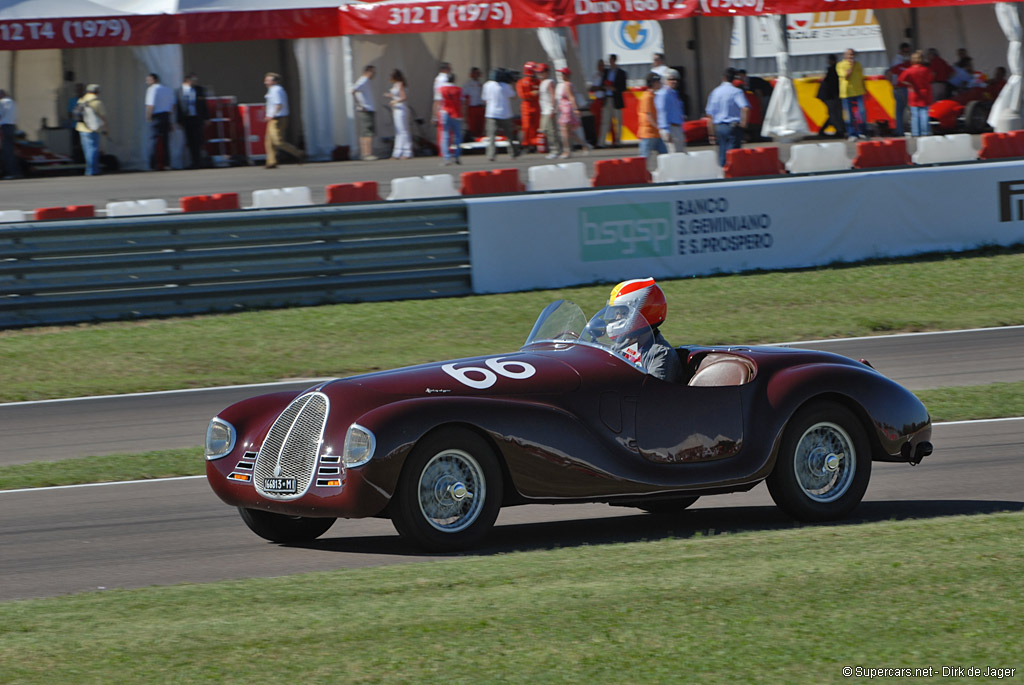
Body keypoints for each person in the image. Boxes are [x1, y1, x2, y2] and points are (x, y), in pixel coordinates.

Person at [606, 278, 682, 383]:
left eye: (623, 313)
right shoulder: (622, 346)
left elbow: (652, 395)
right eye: (617, 313)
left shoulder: (660, 354)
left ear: (642, 313)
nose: (618, 318)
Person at [705, 67, 749, 167]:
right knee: (733, 155)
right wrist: (743, 124)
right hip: (733, 126)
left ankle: (723, 173)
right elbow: (745, 108)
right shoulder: (736, 92)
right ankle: (732, 175)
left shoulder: (715, 92)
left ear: (723, 78)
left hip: (719, 126)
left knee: (722, 153)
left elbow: (710, 115)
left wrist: (711, 133)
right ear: (734, 79)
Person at [263, 72, 305, 169]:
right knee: (269, 141)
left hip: (278, 118)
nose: (266, 82)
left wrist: (272, 115)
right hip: (273, 118)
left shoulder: (277, 90)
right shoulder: (272, 90)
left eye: (269, 80)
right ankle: (271, 161)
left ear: (275, 81)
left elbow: (279, 104)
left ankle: (298, 153)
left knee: (278, 141)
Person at [482, 69, 519, 161]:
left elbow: (484, 98)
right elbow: (513, 96)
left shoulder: (487, 85)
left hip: (491, 113)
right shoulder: (506, 86)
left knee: (491, 136)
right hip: (505, 113)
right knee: (509, 135)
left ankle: (491, 155)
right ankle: (512, 153)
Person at [555, 67, 590, 159]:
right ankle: (584, 145)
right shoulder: (568, 84)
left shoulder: (567, 85)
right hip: (565, 109)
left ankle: (567, 151)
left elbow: (571, 97)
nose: (561, 76)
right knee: (569, 132)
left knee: (564, 131)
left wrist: (575, 109)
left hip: (567, 109)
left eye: (562, 74)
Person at [176, 73, 208, 169]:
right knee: (189, 141)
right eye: (193, 80)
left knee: (198, 140)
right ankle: (193, 161)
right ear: (187, 80)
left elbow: (203, 105)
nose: (195, 82)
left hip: (196, 117)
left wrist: (206, 118)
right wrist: (179, 120)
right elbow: (178, 107)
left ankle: (199, 161)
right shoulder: (180, 91)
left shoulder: (199, 90)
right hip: (187, 118)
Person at [75, 84, 108, 176]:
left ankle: (89, 169)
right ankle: (92, 170)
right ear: (97, 92)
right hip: (93, 128)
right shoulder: (97, 102)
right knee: (93, 149)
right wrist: (106, 129)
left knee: (87, 150)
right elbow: (103, 117)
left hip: (81, 128)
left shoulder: (81, 100)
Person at [899, 50, 934, 137]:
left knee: (915, 115)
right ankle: (925, 132)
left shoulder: (909, 70)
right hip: (925, 93)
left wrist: (910, 84)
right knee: (924, 114)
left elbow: (901, 79)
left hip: (914, 93)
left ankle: (915, 132)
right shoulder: (926, 70)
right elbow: (931, 78)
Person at [145, 73, 175, 170]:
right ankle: (167, 164)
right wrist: (169, 115)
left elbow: (150, 105)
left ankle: (154, 164)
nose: (147, 82)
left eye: (149, 80)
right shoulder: (167, 89)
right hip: (166, 115)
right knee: (166, 141)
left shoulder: (152, 89)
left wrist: (148, 116)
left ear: (154, 80)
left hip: (156, 116)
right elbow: (173, 104)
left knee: (153, 141)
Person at [836, 48, 868, 139]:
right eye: (849, 54)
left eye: (852, 55)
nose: (851, 56)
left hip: (859, 91)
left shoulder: (858, 65)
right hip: (846, 93)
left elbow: (862, 78)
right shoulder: (840, 65)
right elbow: (846, 77)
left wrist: (865, 89)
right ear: (845, 55)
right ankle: (851, 133)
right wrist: (850, 67)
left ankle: (862, 131)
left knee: (862, 112)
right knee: (849, 115)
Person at [637, 73, 667, 165]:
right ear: (653, 83)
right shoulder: (647, 97)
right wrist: (659, 127)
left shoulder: (654, 96)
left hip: (656, 134)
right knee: (644, 158)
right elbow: (649, 116)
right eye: (658, 82)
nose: (660, 84)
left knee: (665, 156)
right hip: (648, 134)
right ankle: (640, 177)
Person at [350, 65, 377, 161]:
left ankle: (365, 153)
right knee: (367, 132)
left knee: (366, 132)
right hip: (366, 109)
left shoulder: (365, 81)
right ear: (368, 72)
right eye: (373, 72)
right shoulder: (363, 80)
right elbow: (353, 90)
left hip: (367, 109)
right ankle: (367, 153)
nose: (374, 74)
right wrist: (360, 105)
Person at [655, 69, 686, 153]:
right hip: (670, 128)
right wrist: (666, 131)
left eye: (676, 79)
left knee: (680, 154)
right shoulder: (663, 94)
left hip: (677, 128)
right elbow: (662, 112)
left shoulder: (674, 93)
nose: (674, 81)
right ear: (665, 80)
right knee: (673, 155)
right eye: (671, 79)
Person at [599, 55, 626, 147]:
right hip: (607, 98)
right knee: (605, 121)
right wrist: (605, 87)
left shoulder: (621, 73)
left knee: (618, 121)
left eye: (611, 60)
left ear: (614, 61)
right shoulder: (606, 72)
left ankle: (618, 141)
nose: (610, 62)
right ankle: (601, 142)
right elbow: (601, 84)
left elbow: (623, 87)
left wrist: (615, 88)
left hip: (616, 99)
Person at [386, 69, 412, 160]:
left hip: (401, 108)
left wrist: (395, 101)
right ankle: (398, 151)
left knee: (403, 130)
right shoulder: (396, 85)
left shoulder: (400, 84)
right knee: (398, 131)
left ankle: (406, 151)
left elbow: (404, 97)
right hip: (397, 109)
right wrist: (391, 96)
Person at [438, 73, 464, 166]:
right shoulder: (459, 90)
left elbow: (439, 101)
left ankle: (446, 157)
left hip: (445, 112)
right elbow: (461, 102)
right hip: (456, 113)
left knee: (445, 135)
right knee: (458, 135)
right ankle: (457, 155)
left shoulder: (441, 89)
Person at [537, 63, 562, 159]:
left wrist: (553, 109)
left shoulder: (549, 82)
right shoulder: (542, 83)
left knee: (551, 131)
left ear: (547, 72)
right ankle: (556, 148)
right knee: (544, 130)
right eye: (539, 73)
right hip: (544, 110)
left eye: (542, 72)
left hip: (549, 110)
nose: (540, 74)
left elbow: (553, 96)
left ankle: (555, 150)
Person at [817, 54, 844, 138]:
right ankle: (839, 130)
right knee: (834, 114)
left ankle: (837, 130)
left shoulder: (832, 69)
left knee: (833, 114)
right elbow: (833, 85)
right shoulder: (835, 70)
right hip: (831, 96)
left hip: (828, 95)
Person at [888, 43, 912, 136]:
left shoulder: (901, 60)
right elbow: (891, 73)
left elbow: (890, 73)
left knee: (900, 110)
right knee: (906, 110)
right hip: (901, 87)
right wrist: (893, 84)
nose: (907, 53)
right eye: (906, 51)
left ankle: (900, 130)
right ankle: (902, 129)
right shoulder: (899, 61)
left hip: (899, 87)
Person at [516, 62, 540, 152]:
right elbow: (522, 95)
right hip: (527, 107)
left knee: (536, 126)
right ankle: (526, 144)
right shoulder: (521, 82)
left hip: (536, 106)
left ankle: (534, 143)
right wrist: (532, 94)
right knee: (526, 126)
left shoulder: (538, 82)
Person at [0, 89, 19, 180]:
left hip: (4, 127)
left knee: (6, 152)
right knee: (10, 151)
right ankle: (15, 171)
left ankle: (10, 173)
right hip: (12, 126)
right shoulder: (13, 102)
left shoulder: (2, 102)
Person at [462, 67, 485, 138]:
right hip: (472, 107)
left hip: (480, 107)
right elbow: (464, 96)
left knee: (480, 125)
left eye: (478, 73)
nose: (477, 75)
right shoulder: (467, 84)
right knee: (472, 126)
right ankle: (472, 138)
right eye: (475, 73)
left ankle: (480, 137)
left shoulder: (481, 84)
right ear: (472, 74)